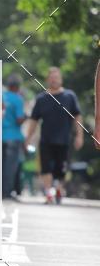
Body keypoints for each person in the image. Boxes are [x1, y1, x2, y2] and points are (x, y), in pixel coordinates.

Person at [25, 66, 83, 203]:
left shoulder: (70, 96)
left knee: (61, 168)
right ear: (47, 80)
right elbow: (34, 120)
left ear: (61, 80)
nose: (54, 80)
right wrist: (28, 138)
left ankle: (58, 189)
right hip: (46, 139)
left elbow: (77, 117)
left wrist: (79, 136)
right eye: (51, 78)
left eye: (56, 78)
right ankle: (48, 193)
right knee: (45, 168)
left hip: (64, 140)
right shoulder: (41, 98)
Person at [2, 73, 26, 199]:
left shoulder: (0, 96)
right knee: (10, 167)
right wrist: (26, 116)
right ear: (18, 87)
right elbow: (19, 119)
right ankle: (6, 193)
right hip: (13, 136)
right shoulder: (18, 99)